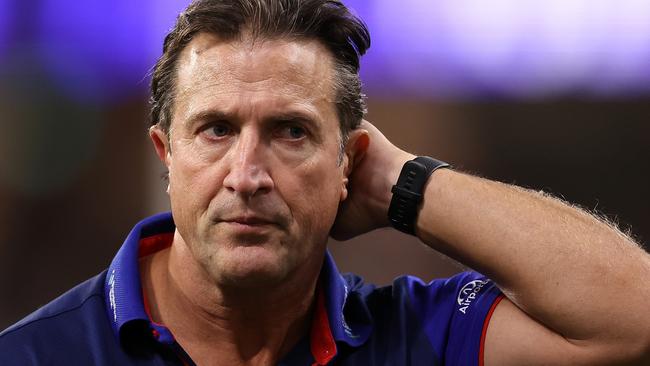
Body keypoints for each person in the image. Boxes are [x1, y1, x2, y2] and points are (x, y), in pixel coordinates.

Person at [2, 0, 649, 365]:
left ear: (350, 163)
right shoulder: (36, 356)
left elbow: (633, 315)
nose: (248, 175)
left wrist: (404, 183)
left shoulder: (413, 339)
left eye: (290, 132)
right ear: (165, 154)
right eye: (217, 130)